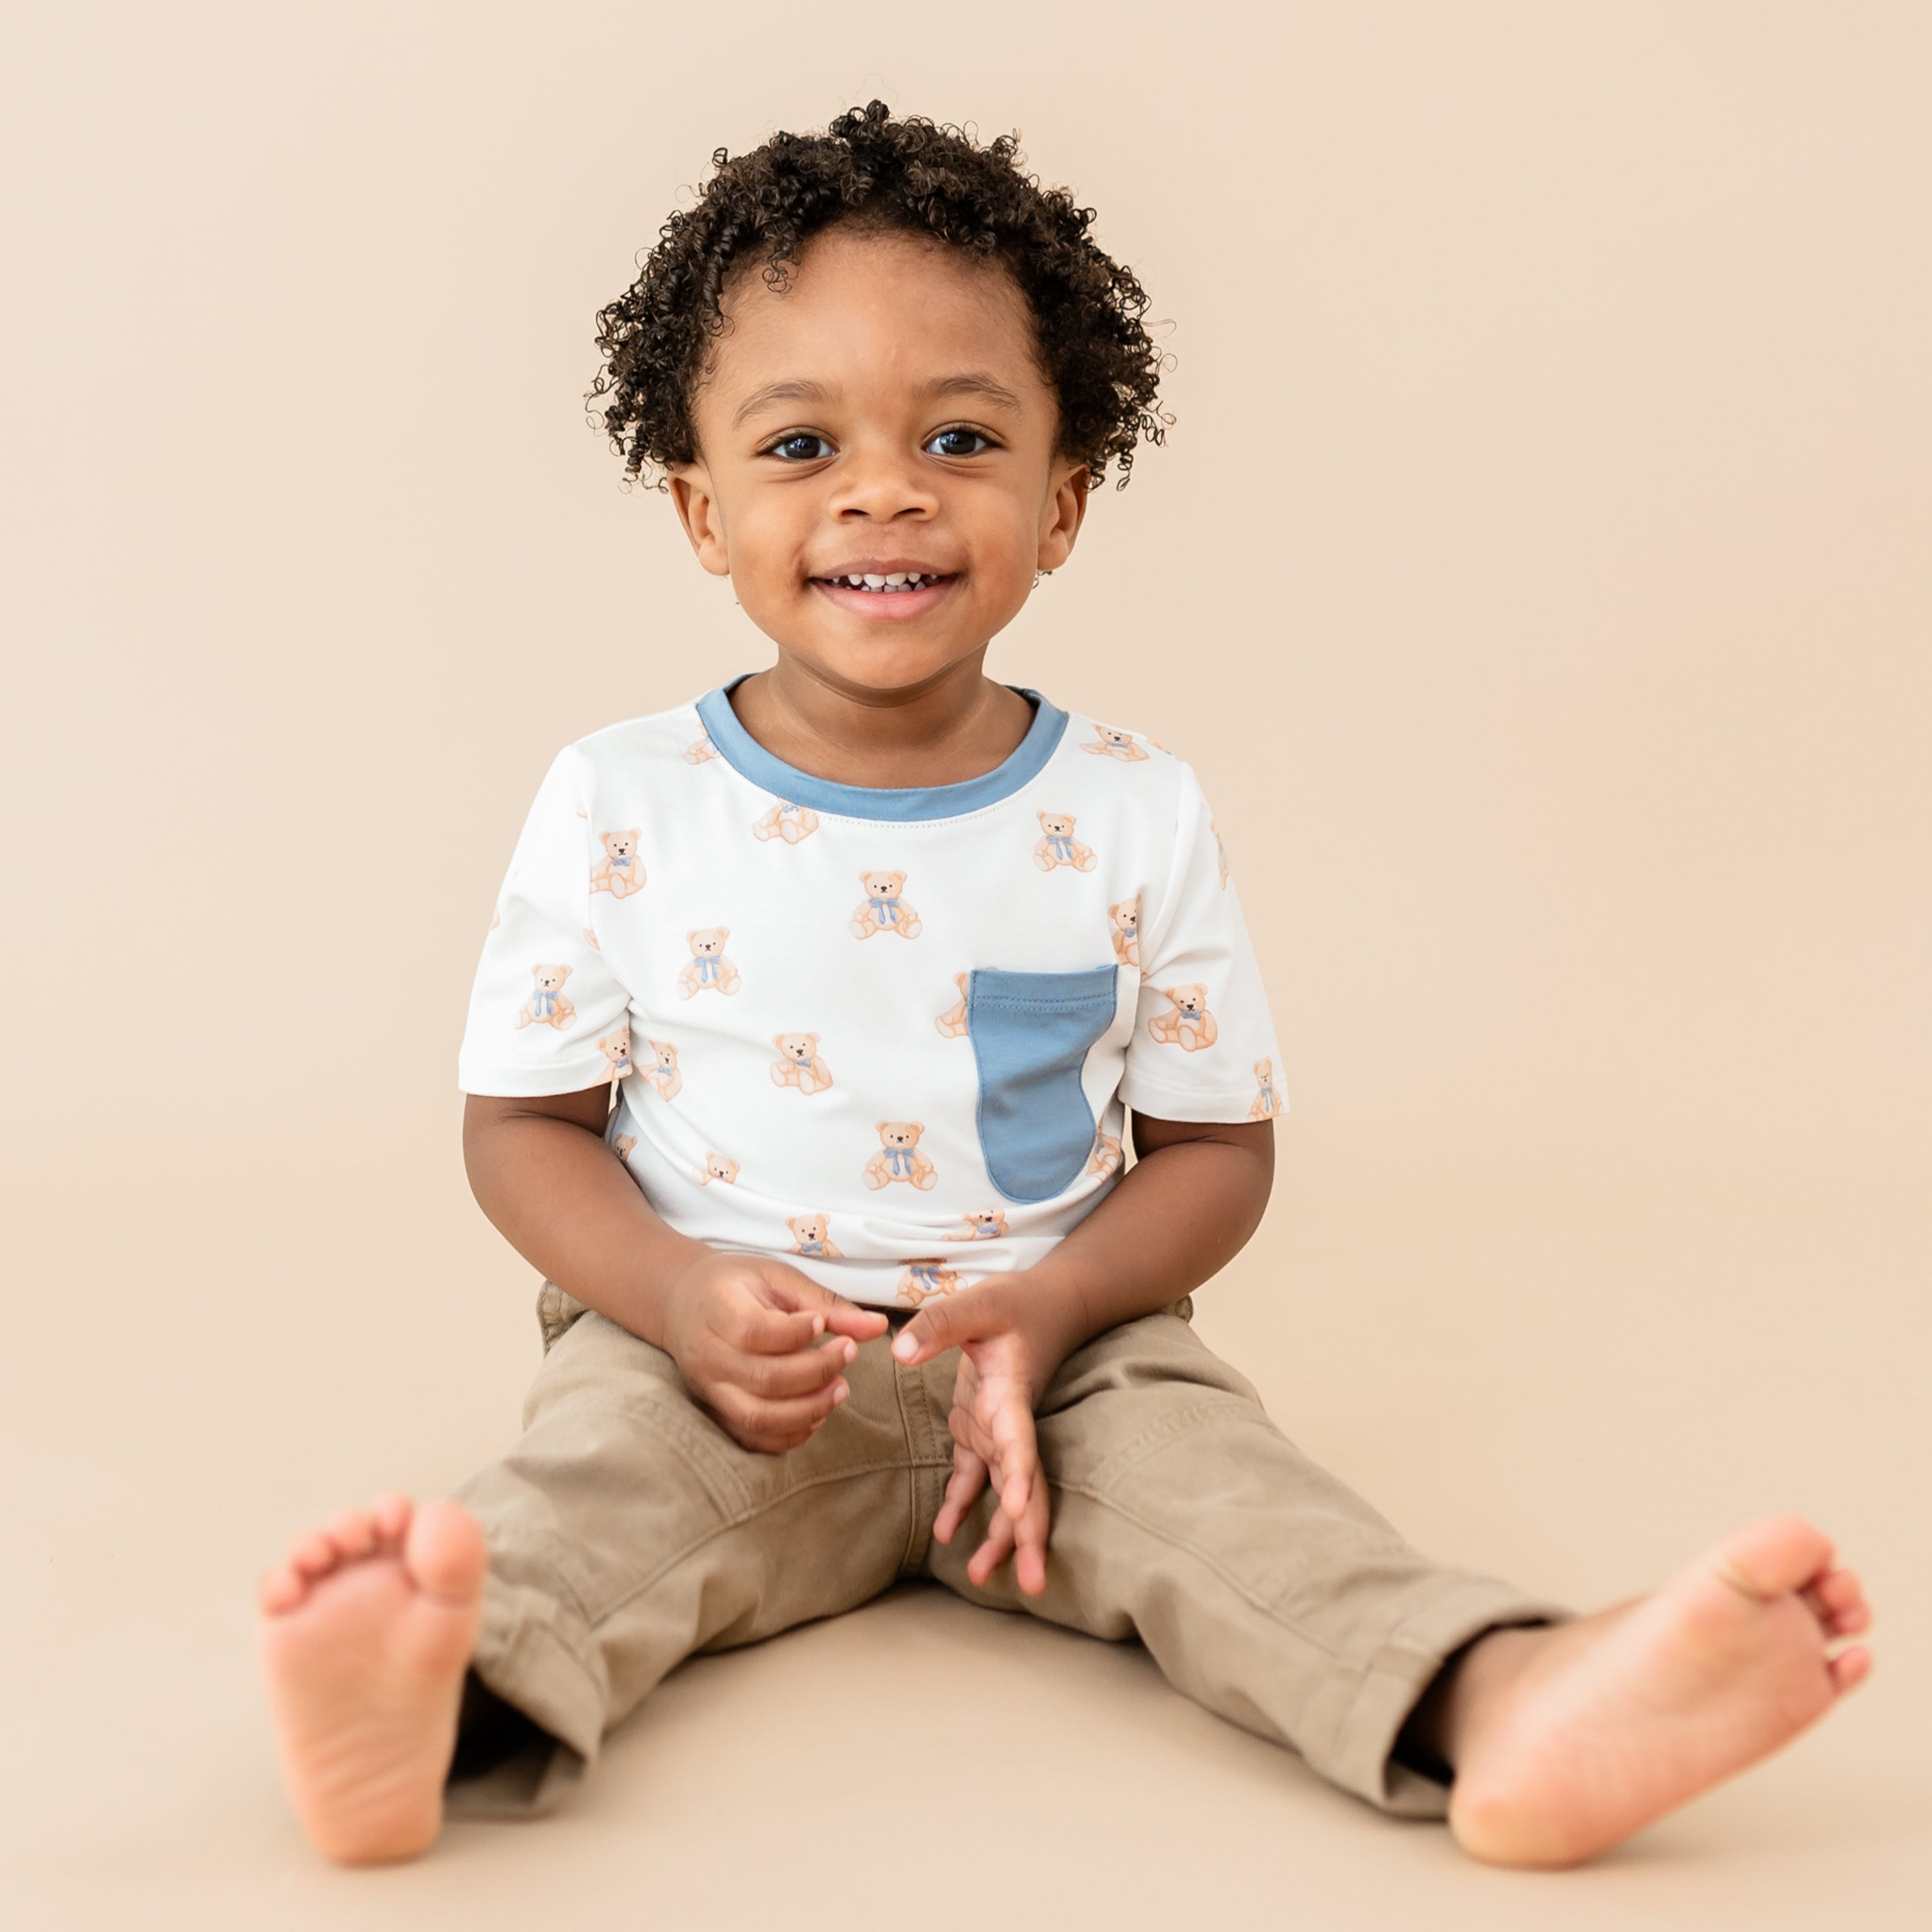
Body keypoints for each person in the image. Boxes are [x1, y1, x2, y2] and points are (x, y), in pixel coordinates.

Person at [257, 102, 1873, 1870]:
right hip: (715, 1365)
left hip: (1061, 1363)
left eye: (960, 435)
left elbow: (1213, 1153)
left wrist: (1056, 1311)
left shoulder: (1131, 811)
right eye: (802, 445)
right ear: (702, 510)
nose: (885, 489)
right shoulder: (618, 803)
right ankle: (433, 1700)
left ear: (1064, 497)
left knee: (1259, 1519)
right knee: (576, 1511)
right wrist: (676, 1291)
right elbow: (523, 1131)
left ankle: (1501, 1701)